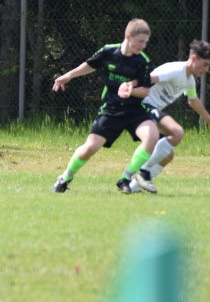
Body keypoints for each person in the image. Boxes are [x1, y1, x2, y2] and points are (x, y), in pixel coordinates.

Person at [52, 18, 160, 194]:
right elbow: (90, 65)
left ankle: (125, 178)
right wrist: (69, 75)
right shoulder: (109, 51)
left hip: (135, 110)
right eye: (140, 41)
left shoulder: (142, 61)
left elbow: (145, 90)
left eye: (145, 42)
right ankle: (65, 177)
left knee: (152, 136)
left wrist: (131, 91)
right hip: (111, 109)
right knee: (90, 148)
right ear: (128, 36)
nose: (143, 46)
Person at [126, 40, 210, 194]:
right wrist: (127, 87)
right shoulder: (175, 70)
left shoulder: (189, 81)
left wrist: (209, 120)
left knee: (167, 155)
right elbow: (148, 78)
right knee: (176, 132)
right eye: (205, 64)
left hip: (150, 110)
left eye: (209, 66)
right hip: (140, 106)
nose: (207, 69)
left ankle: (132, 188)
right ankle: (143, 172)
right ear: (193, 58)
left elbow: (193, 101)